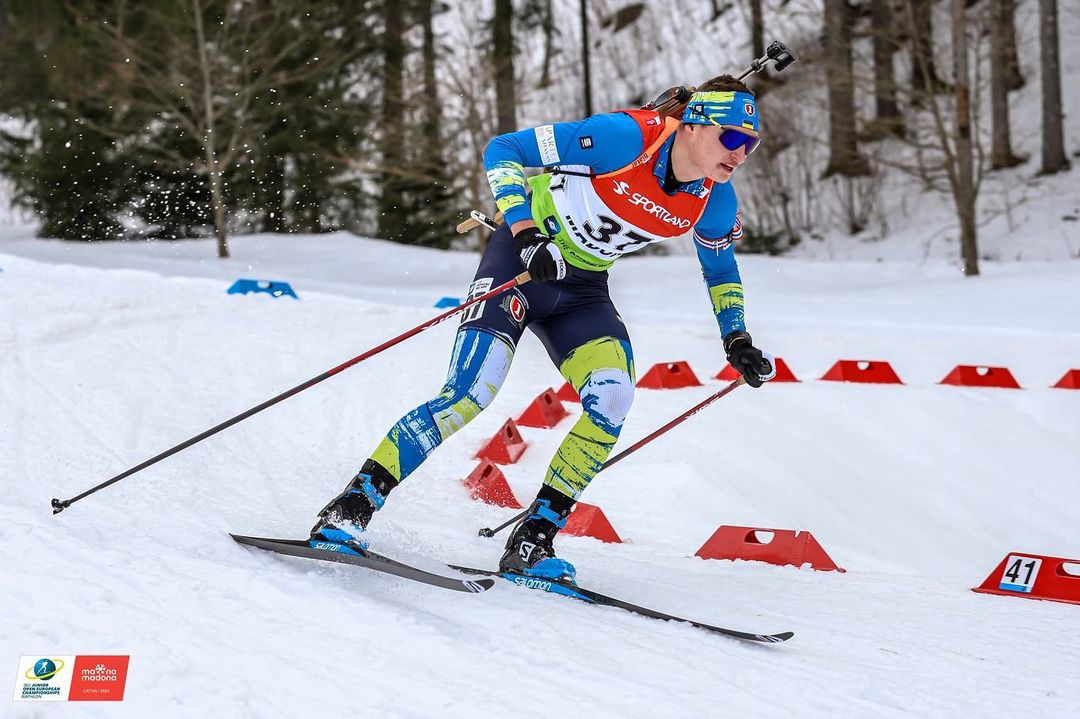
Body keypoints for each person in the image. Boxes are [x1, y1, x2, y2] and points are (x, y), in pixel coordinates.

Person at [310, 74, 776, 582]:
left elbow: (720, 269)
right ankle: (350, 508)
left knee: (613, 398)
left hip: (581, 291)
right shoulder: (627, 137)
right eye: (732, 137)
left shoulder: (715, 198)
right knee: (469, 394)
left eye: (750, 144)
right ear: (692, 125)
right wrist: (527, 232)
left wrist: (737, 337)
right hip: (521, 263)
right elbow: (503, 149)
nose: (741, 152)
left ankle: (534, 540)